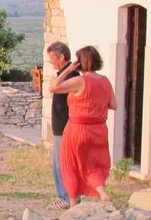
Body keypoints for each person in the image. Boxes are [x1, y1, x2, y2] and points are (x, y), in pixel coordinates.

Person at [49, 45, 117, 206]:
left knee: (69, 165)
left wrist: (67, 70)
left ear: (81, 63)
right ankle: (102, 192)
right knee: (93, 166)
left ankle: (73, 204)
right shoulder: (105, 81)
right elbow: (114, 104)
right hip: (99, 129)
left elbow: (53, 87)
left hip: (77, 129)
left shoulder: (80, 81)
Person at [45, 41, 79, 209]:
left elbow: (53, 87)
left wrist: (68, 70)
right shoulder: (65, 75)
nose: (52, 63)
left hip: (66, 126)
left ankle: (66, 198)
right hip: (60, 126)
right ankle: (66, 196)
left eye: (53, 59)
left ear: (62, 57)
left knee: (62, 164)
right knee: (58, 163)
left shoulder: (72, 77)